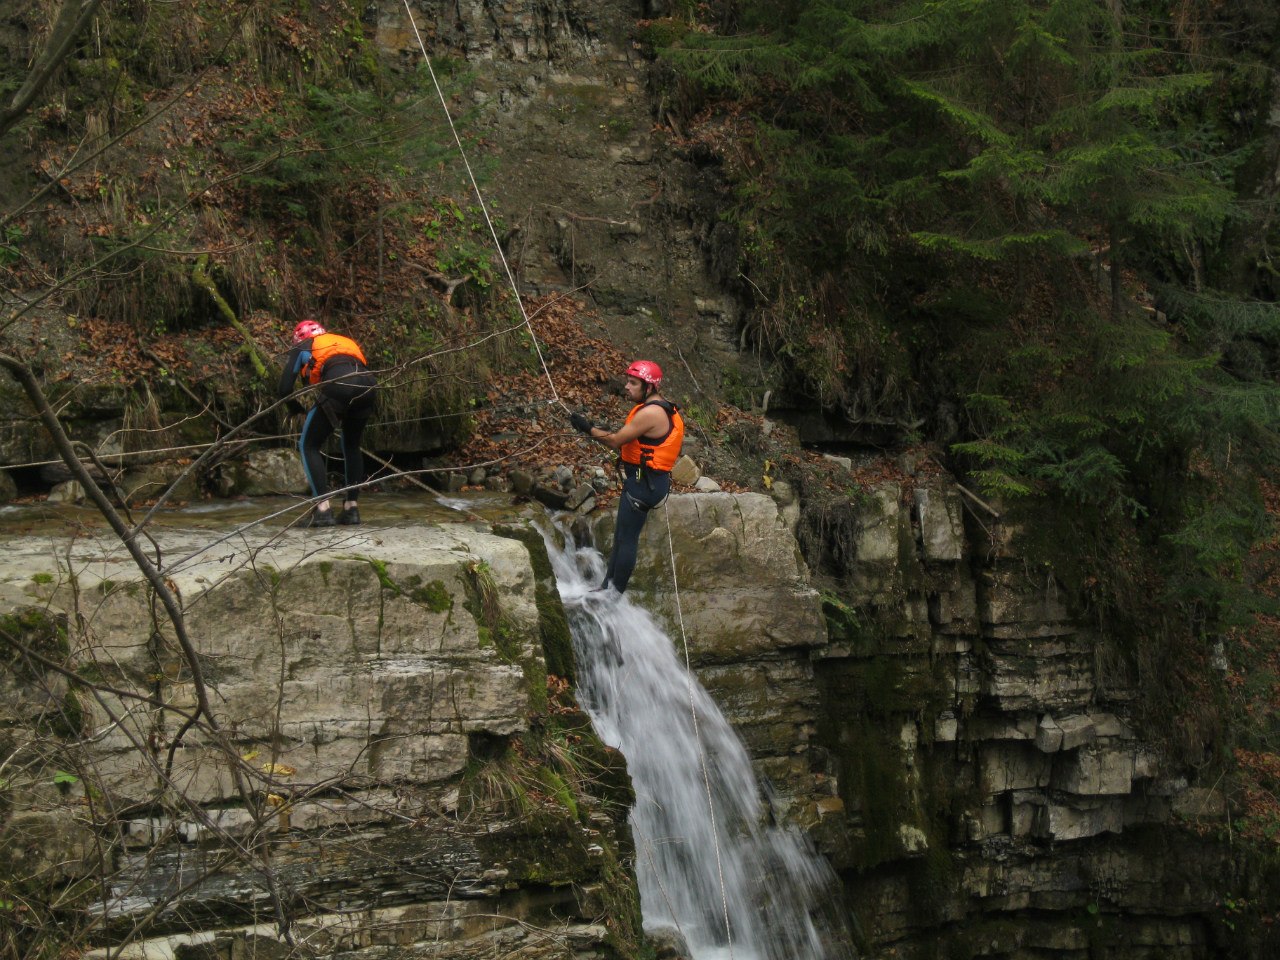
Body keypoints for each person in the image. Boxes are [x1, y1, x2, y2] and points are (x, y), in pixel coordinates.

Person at [570, 360, 684, 593]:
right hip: (647, 481)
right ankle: (607, 588)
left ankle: (613, 594)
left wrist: (587, 428)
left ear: (649, 388)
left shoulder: (651, 412)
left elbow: (615, 440)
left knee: (627, 538)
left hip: (645, 484)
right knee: (622, 536)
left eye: (633, 383)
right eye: (628, 382)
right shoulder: (660, 408)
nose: (627, 387)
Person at [277, 319, 377, 527]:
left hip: (339, 383)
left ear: (298, 339)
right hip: (369, 385)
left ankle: (322, 509)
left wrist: (293, 407)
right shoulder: (343, 341)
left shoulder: (302, 347)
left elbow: (284, 389)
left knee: (309, 445)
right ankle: (351, 509)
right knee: (351, 445)